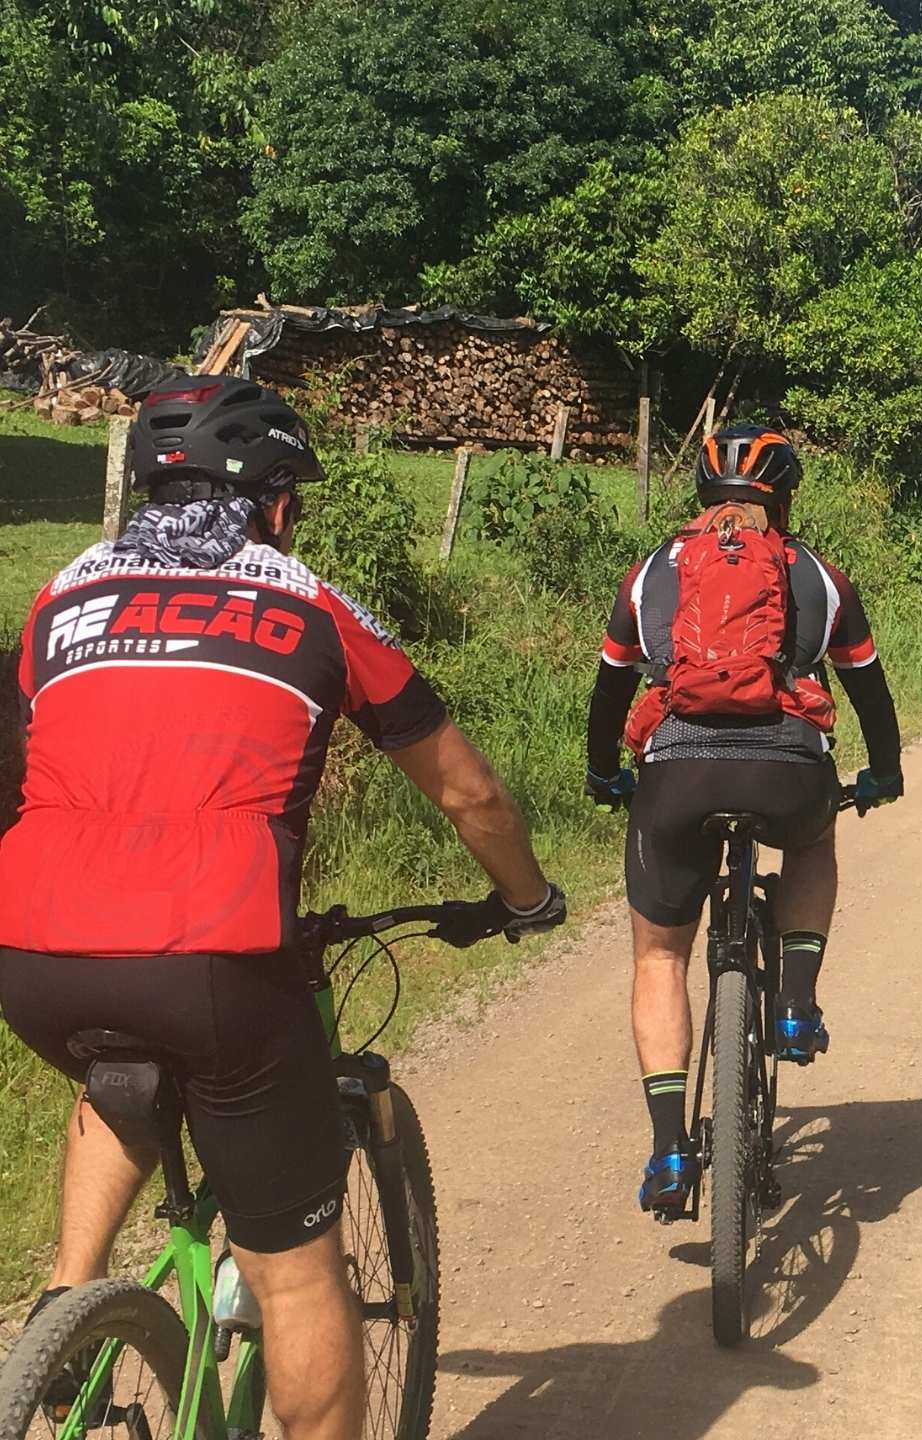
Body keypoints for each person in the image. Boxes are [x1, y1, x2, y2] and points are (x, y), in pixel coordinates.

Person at [0, 377, 565, 1440]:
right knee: (298, 1277)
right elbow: (469, 792)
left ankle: (63, 1313)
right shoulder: (306, 601)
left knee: (116, 1066)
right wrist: (525, 898)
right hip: (215, 953)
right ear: (270, 501)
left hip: (31, 949)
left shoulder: (61, 595)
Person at [585, 424, 903, 1219]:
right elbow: (868, 687)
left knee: (660, 954)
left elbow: (609, 690)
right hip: (789, 771)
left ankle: (666, 1149)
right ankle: (794, 1002)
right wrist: (885, 772)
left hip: (674, 778)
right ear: (784, 495)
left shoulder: (652, 572)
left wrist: (602, 773)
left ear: (701, 494)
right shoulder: (819, 575)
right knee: (813, 839)